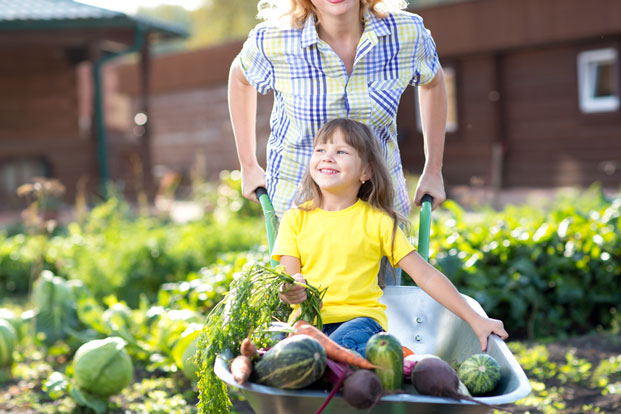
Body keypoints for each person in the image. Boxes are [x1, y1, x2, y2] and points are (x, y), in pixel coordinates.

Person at [273, 119, 507, 357]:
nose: (327, 157)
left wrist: (476, 319)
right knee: (293, 349)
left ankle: (377, 362)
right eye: (320, 150)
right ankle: (370, 364)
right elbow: (287, 281)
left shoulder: (378, 221)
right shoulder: (295, 219)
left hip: (360, 322)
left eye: (341, 151)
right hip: (307, 324)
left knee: (333, 347)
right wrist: (289, 290)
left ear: (366, 171)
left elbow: (425, 275)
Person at [228, 0, 448, 223]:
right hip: (299, 209)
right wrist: (248, 166)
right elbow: (240, 79)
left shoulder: (406, 34)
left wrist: (433, 170)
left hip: (380, 206)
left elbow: (434, 82)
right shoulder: (273, 40)